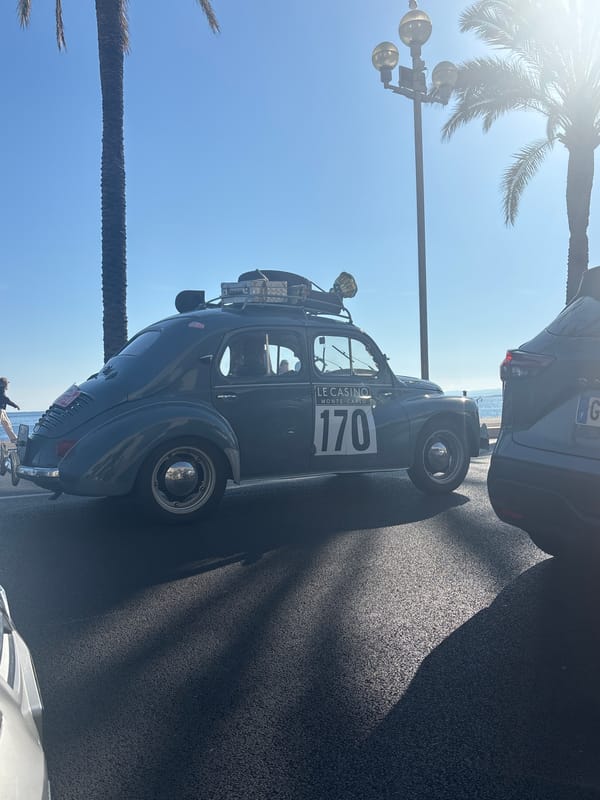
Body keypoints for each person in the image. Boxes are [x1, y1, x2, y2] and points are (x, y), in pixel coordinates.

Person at [0, 377, 20, 444]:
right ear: (4, 384)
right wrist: (15, 405)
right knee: (7, 425)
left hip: (2, 411)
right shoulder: (1, 391)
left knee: (7, 425)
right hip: (1, 410)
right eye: (7, 384)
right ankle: (14, 439)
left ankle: (14, 439)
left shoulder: (2, 390)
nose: (8, 386)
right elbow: (6, 399)